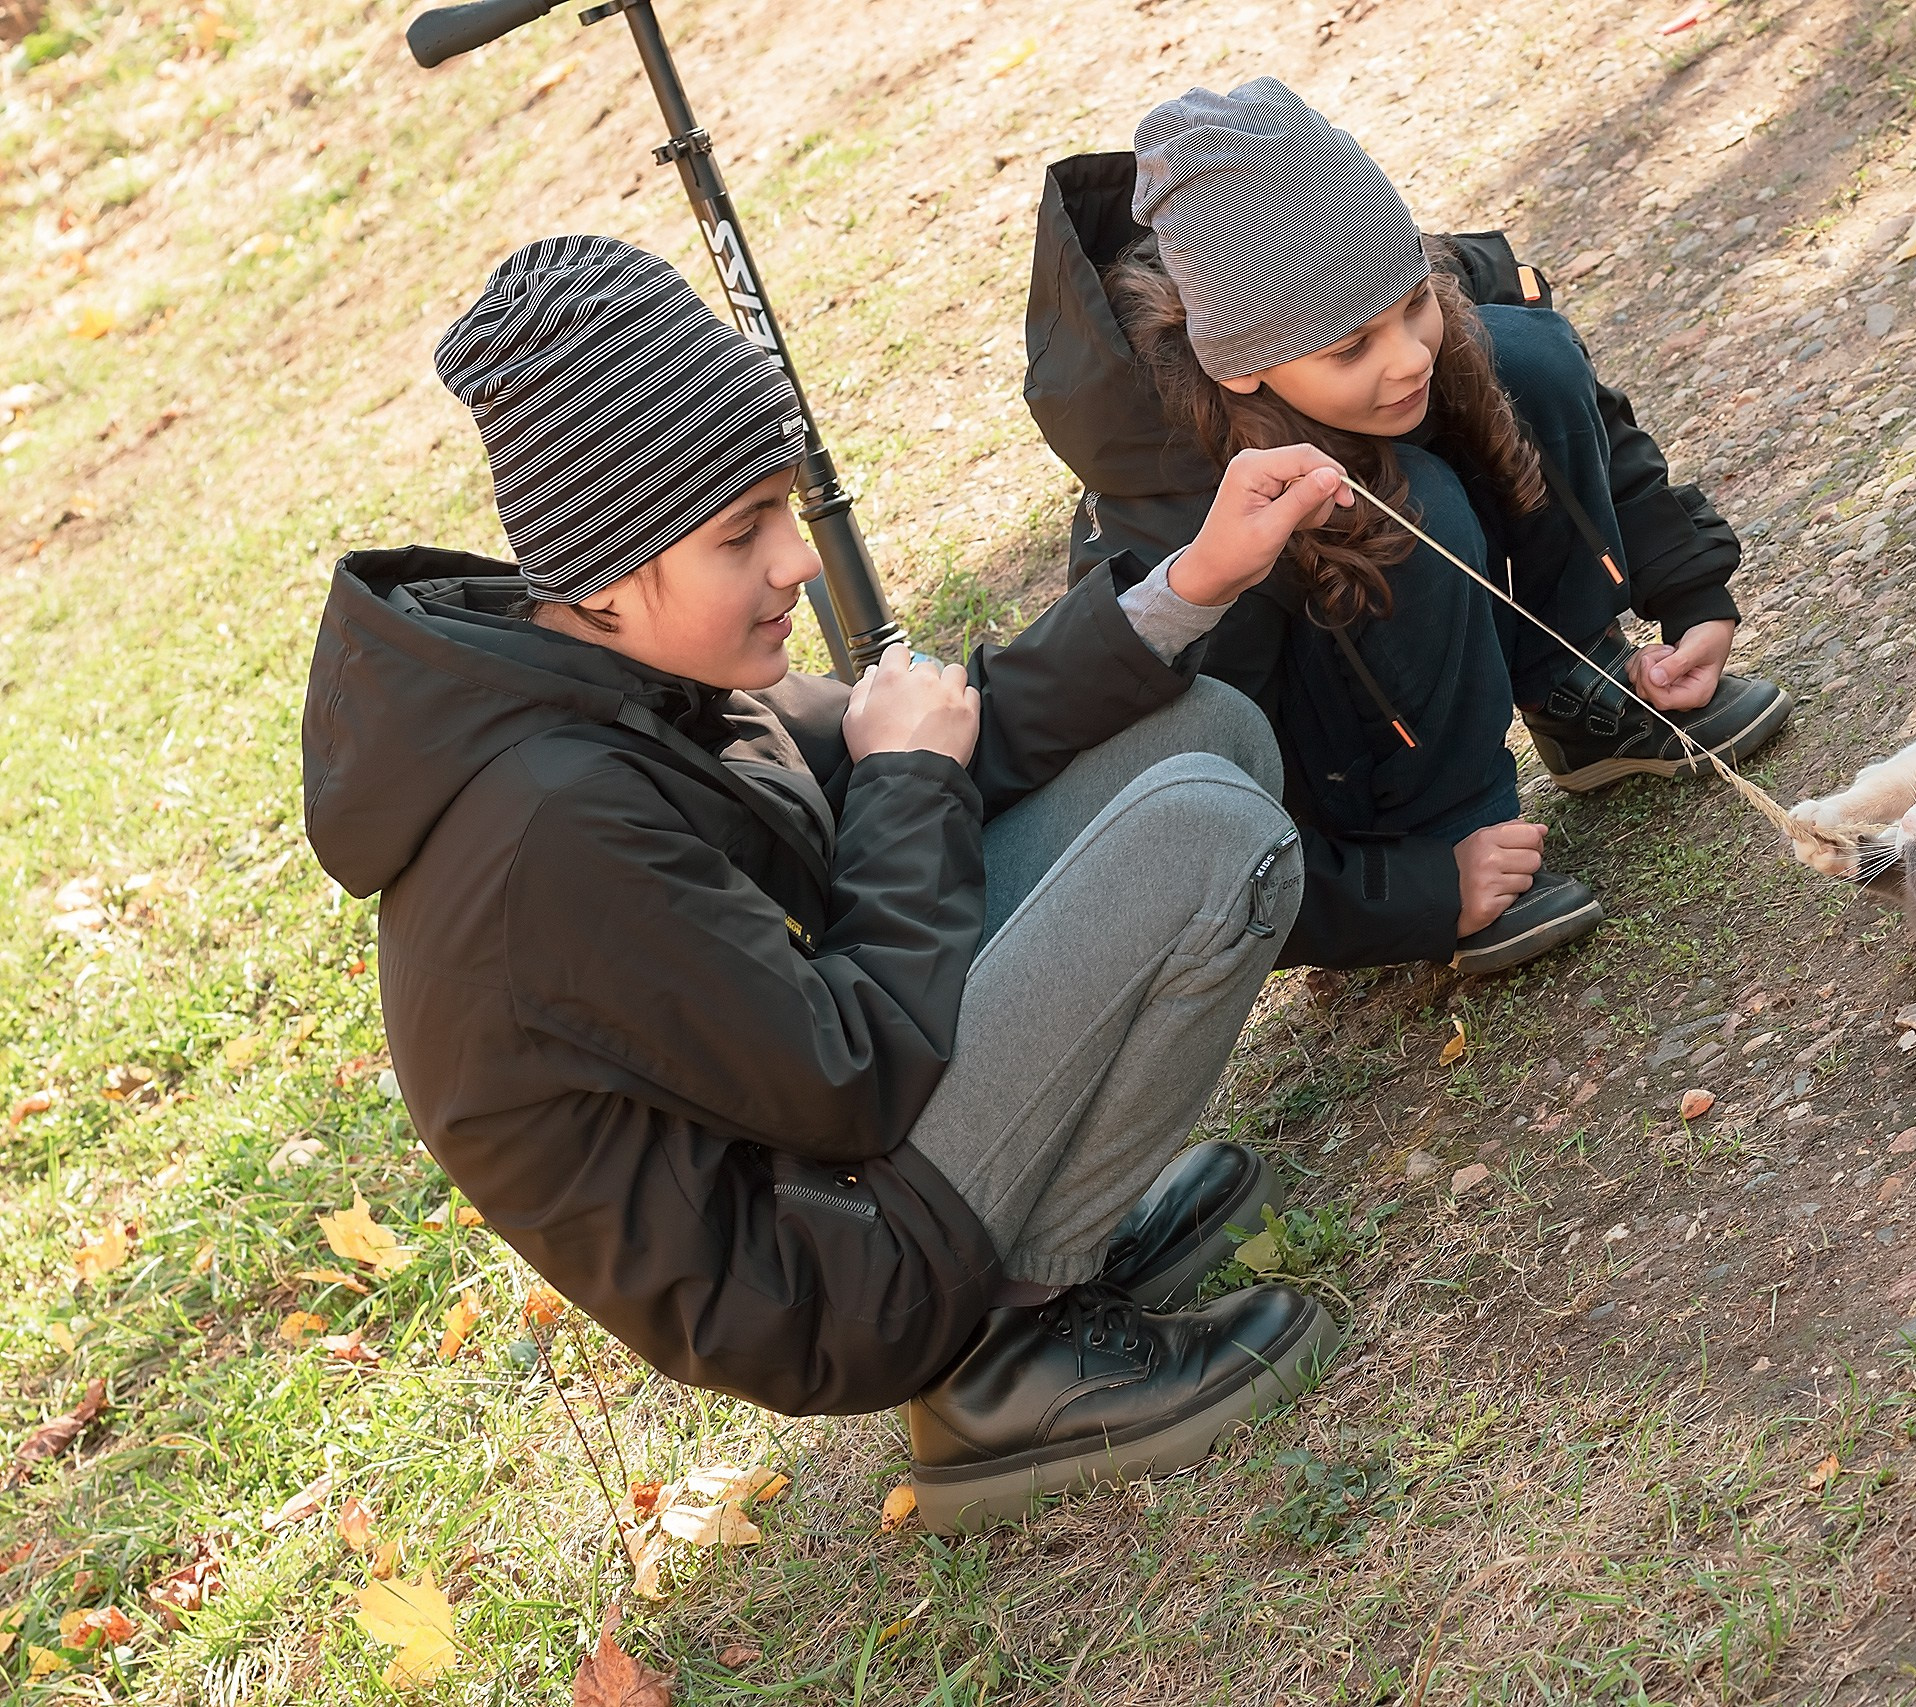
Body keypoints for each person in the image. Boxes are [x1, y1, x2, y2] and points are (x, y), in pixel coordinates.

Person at [300, 234, 1353, 1535]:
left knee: (1202, 735)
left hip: (850, 1147)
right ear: (613, 566)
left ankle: (1042, 1233)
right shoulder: (552, 828)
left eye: (785, 508)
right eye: (742, 532)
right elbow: (844, 1075)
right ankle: (1010, 1350)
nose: (794, 559)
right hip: (834, 1266)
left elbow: (930, 745)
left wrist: (1188, 583)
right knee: (1208, 834)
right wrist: (905, 779)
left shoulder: (625, 675)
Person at [1024, 79, 1793, 979]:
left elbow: (1587, 414)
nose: (1407, 357)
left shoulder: (1401, 294)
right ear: (1239, 366)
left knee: (1523, 356)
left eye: (1413, 302)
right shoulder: (1177, 505)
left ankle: (1578, 686)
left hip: (1426, 667)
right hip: (1351, 794)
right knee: (1399, 498)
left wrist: (1690, 587)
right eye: (1351, 348)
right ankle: (1445, 828)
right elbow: (1196, 786)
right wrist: (1410, 892)